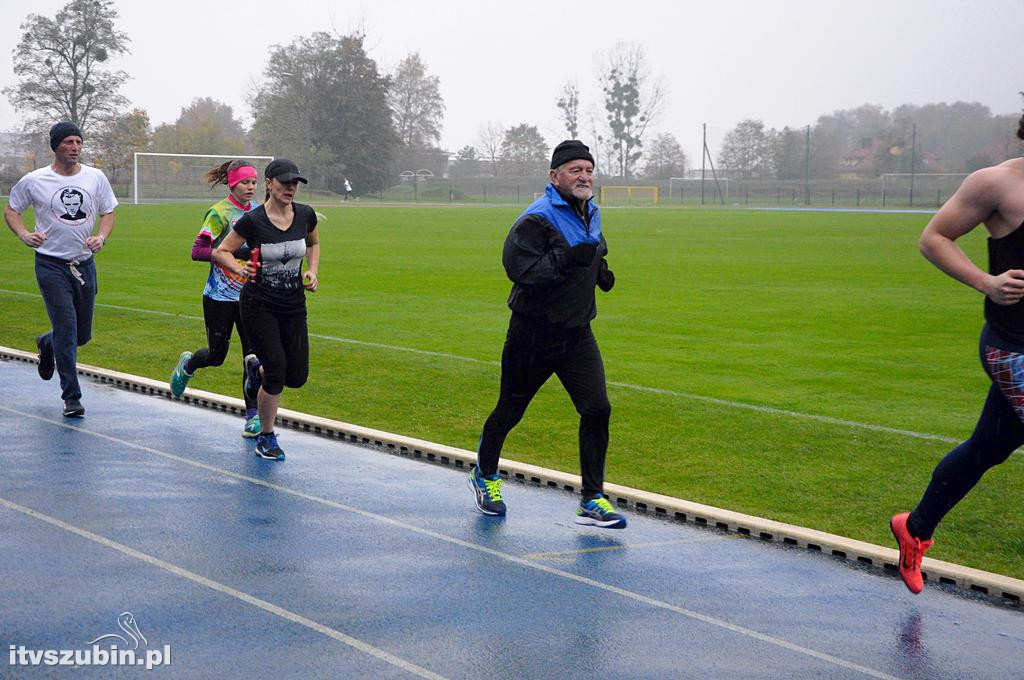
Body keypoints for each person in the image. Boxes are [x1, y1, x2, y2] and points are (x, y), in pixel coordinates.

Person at [891, 114, 1024, 594]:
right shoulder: (997, 184)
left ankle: (916, 527)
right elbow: (934, 238)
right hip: (1014, 349)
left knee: (988, 447)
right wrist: (986, 282)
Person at [469, 140, 624, 528]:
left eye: (588, 169)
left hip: (577, 334)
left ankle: (592, 498)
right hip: (533, 334)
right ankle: (485, 475)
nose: (584, 176)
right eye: (575, 170)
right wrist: (567, 260)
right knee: (510, 410)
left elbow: (592, 251)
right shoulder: (536, 218)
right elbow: (520, 270)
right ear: (555, 177)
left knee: (597, 409)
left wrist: (598, 272)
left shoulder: (591, 210)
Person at [3, 121, 117, 417]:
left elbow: (108, 212)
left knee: (81, 336)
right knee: (67, 329)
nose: (75, 148)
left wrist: (101, 237)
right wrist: (24, 234)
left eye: (78, 142)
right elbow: (12, 209)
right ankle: (72, 397)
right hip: (50, 264)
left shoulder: (96, 177)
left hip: (84, 264)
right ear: (56, 146)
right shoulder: (35, 180)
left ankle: (46, 342)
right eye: (68, 142)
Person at [213, 159, 319, 461]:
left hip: (293, 304)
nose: (291, 188)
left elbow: (313, 243)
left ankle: (254, 369)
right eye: (285, 182)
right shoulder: (254, 221)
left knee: (296, 376)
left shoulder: (305, 215)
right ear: (269, 183)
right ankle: (266, 437)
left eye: (295, 183)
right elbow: (222, 250)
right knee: (276, 373)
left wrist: (312, 270)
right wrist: (238, 268)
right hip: (259, 305)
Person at [169, 160, 261, 437]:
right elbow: (197, 251)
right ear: (232, 183)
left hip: (250, 297)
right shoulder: (219, 213)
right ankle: (188, 364)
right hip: (219, 296)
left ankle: (252, 416)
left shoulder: (258, 212)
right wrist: (236, 254)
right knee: (217, 356)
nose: (251, 187)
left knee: (252, 357)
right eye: (246, 182)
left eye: (254, 182)